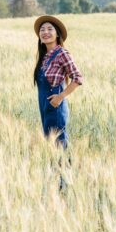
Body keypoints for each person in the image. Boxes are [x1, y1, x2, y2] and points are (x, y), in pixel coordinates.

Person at [33, 15, 83, 149]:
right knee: (50, 145)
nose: (45, 32)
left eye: (50, 29)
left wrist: (61, 97)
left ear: (57, 34)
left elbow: (78, 77)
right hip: (44, 107)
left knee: (59, 145)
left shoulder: (62, 53)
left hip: (56, 108)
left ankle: (66, 169)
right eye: (42, 30)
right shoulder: (43, 57)